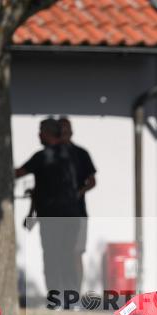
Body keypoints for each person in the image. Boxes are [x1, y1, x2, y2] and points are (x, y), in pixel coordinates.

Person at [15, 117, 82, 307]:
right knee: (66, 256)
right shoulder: (71, 155)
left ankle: (56, 299)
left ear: (48, 134)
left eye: (41, 130)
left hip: (54, 217)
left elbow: (19, 173)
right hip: (70, 215)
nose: (38, 135)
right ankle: (70, 300)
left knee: (52, 257)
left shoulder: (43, 156)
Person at [59, 117, 97, 290]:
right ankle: (59, 292)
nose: (64, 135)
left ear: (71, 132)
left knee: (76, 254)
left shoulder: (81, 154)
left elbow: (92, 180)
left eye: (66, 131)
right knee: (59, 254)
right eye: (61, 132)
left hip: (78, 212)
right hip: (56, 214)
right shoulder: (51, 155)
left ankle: (75, 293)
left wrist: (78, 193)